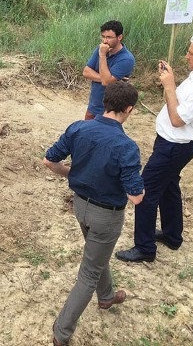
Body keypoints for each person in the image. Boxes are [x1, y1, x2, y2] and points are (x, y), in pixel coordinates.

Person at [43, 81, 145, 346]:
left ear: (105, 101)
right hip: (106, 215)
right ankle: (61, 332)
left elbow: (49, 160)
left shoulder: (78, 128)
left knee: (96, 255)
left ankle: (107, 295)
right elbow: (136, 196)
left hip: (80, 206)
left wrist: (72, 173)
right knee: (88, 273)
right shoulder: (126, 147)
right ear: (129, 109)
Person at [116, 33, 193, 263]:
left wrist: (170, 85)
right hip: (171, 142)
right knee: (169, 187)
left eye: (191, 52)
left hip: (176, 145)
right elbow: (178, 107)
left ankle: (144, 248)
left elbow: (177, 119)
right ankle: (172, 235)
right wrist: (170, 82)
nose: (187, 56)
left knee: (145, 191)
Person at [82, 20, 135, 120]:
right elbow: (86, 72)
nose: (105, 41)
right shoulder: (101, 48)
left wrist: (102, 55)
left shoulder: (126, 59)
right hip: (94, 105)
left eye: (109, 37)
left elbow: (106, 82)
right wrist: (107, 79)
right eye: (103, 36)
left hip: (111, 111)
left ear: (119, 37)